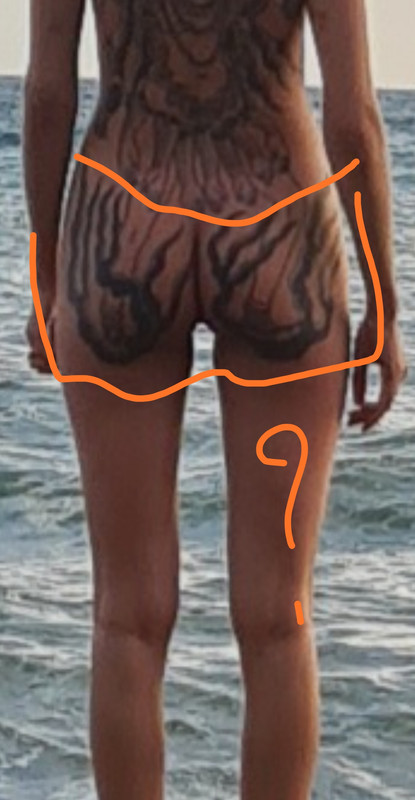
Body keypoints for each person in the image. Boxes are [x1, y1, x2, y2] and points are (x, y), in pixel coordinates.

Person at [24, 1, 406, 798]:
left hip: (121, 227)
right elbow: (352, 120)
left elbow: (48, 93)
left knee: (126, 615)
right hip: (279, 235)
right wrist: (384, 300)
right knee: (278, 617)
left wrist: (48, 275)